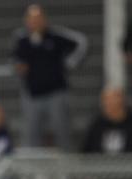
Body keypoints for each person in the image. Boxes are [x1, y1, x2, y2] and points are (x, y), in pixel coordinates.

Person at [12, 4, 87, 149]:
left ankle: (66, 169)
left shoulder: (56, 36)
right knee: (31, 135)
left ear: (44, 19)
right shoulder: (21, 39)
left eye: (38, 18)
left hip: (56, 93)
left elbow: (82, 42)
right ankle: (34, 171)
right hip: (32, 95)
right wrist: (18, 67)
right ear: (26, 21)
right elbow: (14, 59)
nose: (35, 22)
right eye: (31, 19)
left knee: (62, 133)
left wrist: (70, 62)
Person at [82, 87, 132, 154]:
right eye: (106, 102)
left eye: (112, 102)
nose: (108, 106)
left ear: (122, 102)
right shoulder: (97, 125)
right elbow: (86, 152)